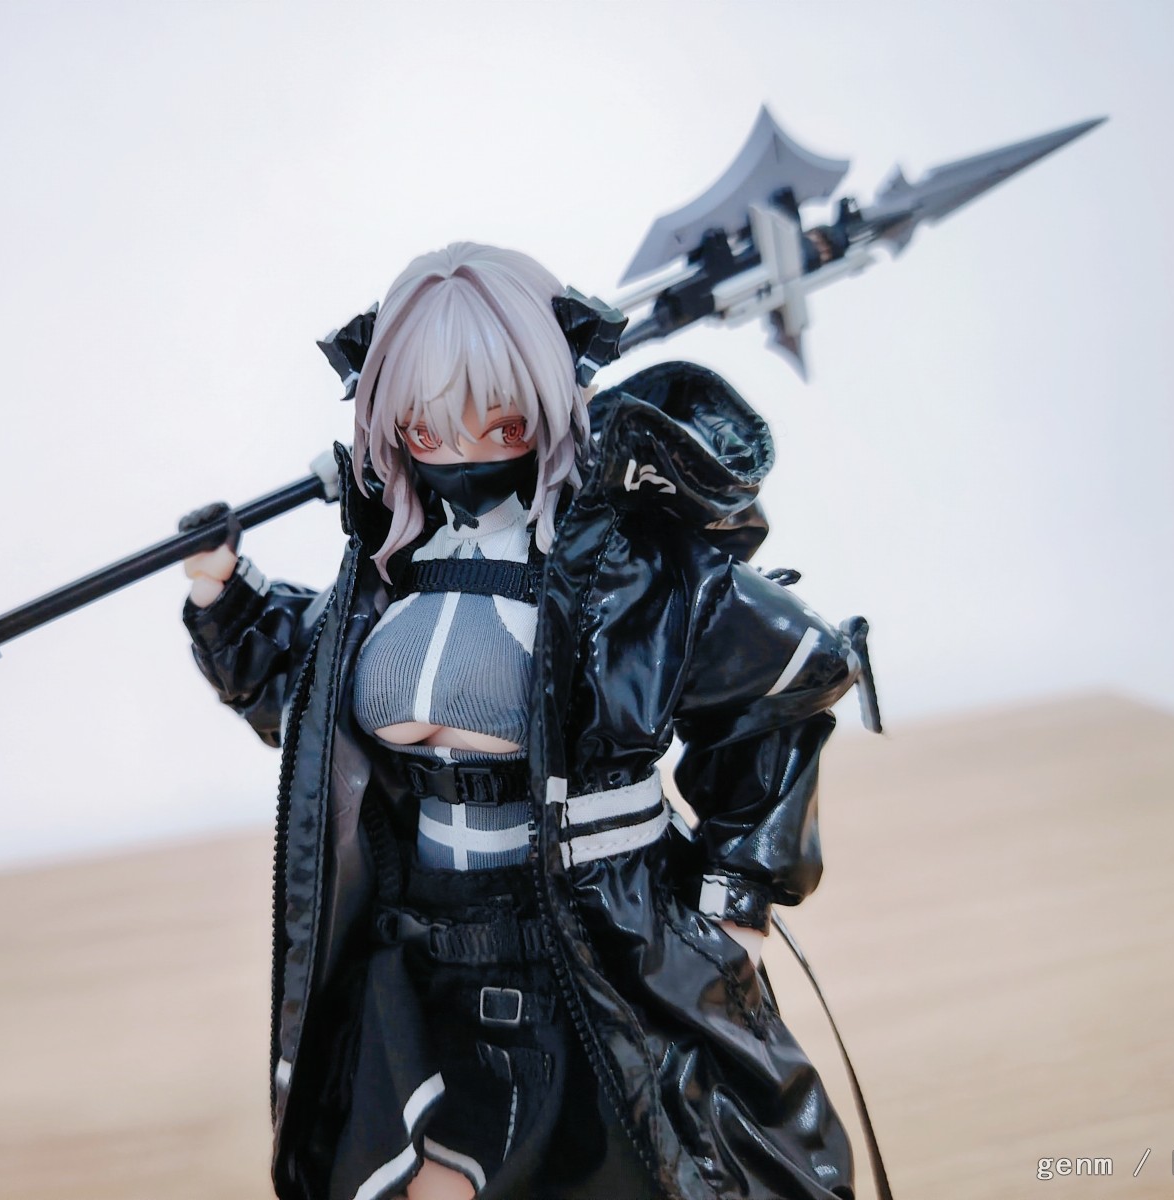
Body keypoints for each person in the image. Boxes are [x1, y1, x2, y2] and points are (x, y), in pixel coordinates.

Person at [182, 242, 874, 1200]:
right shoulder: (389, 572)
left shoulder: (623, 570)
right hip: (424, 947)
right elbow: (309, 700)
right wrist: (224, 595)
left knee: (649, 1161)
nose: (462, 452)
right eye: (426, 429)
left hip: (599, 937)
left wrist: (736, 899)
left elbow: (778, 689)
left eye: (499, 422)